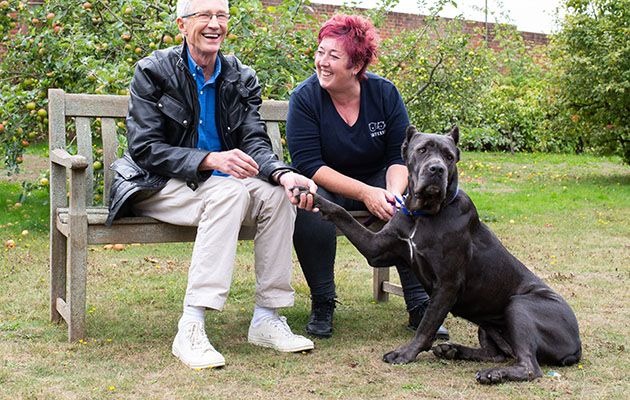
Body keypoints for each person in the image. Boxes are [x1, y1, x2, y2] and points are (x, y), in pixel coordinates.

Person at [106, 0, 319, 369]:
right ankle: (191, 325)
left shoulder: (240, 76)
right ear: (182, 24)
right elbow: (144, 149)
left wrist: (282, 174)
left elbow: (254, 139)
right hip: (159, 184)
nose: (214, 24)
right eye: (204, 15)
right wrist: (208, 160)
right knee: (230, 191)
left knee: (275, 196)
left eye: (221, 16)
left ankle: (267, 317)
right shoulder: (153, 71)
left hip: (218, 187)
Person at [286, 14, 449, 340]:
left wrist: (391, 192)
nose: (322, 62)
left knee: (405, 206)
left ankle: (419, 304)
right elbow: (309, 164)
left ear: (357, 65)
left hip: (377, 177)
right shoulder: (305, 98)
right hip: (327, 181)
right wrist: (365, 194)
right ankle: (323, 301)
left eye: (334, 56)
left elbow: (398, 155)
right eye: (320, 52)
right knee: (311, 207)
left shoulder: (384, 94)